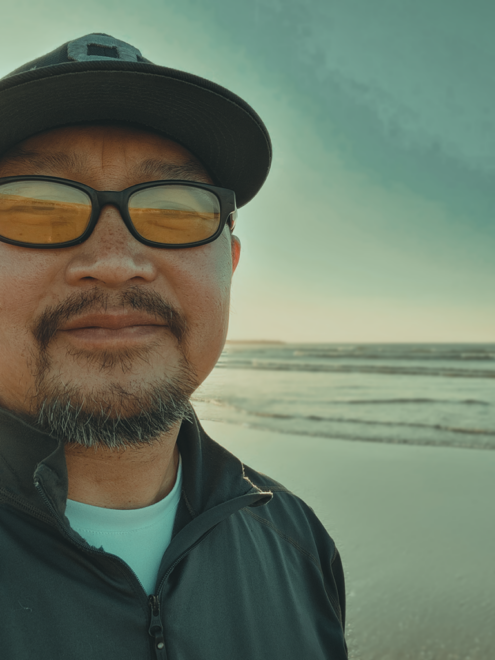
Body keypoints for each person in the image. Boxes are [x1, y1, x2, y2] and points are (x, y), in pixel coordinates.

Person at [0, 33, 348, 659]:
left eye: (175, 211)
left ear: (230, 265)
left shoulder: (297, 542)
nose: (114, 262)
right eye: (36, 208)